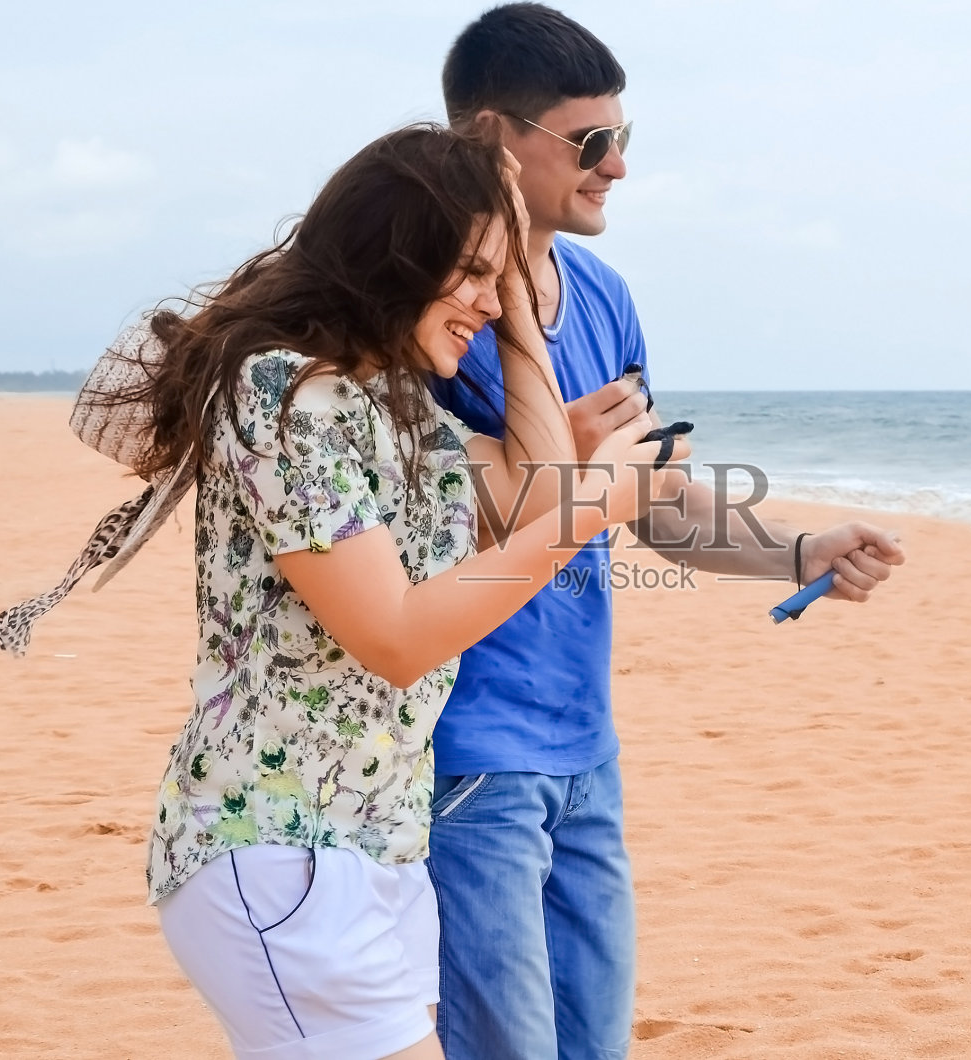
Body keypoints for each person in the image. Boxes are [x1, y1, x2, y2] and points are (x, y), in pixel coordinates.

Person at [114, 126, 685, 1060]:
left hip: (372, 848)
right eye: (463, 272)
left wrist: (515, 317)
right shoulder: (284, 393)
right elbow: (397, 634)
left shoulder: (400, 404)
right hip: (280, 846)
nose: (482, 299)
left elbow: (538, 489)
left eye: (494, 276)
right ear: (393, 258)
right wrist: (595, 509)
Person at [427, 6, 907, 1059]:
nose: (616, 169)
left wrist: (795, 548)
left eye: (624, 140)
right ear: (492, 138)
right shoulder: (434, 306)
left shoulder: (605, 295)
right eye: (590, 144)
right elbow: (394, 519)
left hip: (583, 743)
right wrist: (548, 472)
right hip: (461, 753)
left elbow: (650, 505)